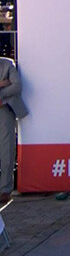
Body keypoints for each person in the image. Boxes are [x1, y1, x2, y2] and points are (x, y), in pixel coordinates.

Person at [0, 55, 27, 203]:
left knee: (7, 150)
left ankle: (5, 190)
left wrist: (1, 94)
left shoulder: (7, 64)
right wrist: (2, 83)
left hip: (4, 109)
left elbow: (17, 86)